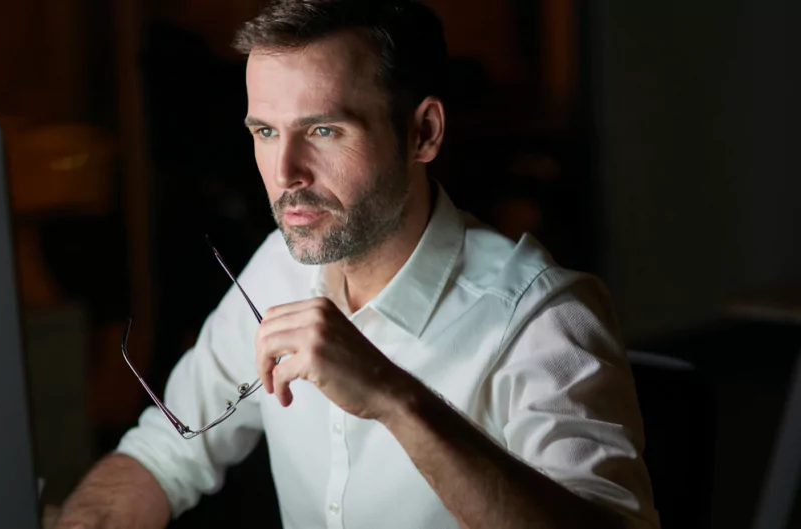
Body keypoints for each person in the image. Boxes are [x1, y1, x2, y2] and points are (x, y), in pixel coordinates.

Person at [54, 1, 659, 528]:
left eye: (323, 129)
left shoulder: (541, 319)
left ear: (423, 132)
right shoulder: (274, 273)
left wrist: (391, 396)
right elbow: (163, 455)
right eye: (265, 131)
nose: (286, 172)